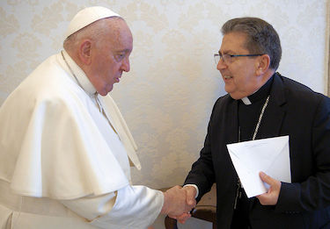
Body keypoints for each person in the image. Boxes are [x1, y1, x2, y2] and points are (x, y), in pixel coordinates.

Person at [0, 6, 195, 229]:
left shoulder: (77, 83)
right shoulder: (56, 99)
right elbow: (100, 202)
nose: (127, 67)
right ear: (86, 51)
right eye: (120, 55)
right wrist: (166, 202)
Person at [173, 17, 330, 228]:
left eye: (230, 56)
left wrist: (286, 194)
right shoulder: (222, 107)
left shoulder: (313, 107)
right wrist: (192, 189)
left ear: (261, 64)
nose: (220, 65)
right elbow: (208, 161)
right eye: (219, 56)